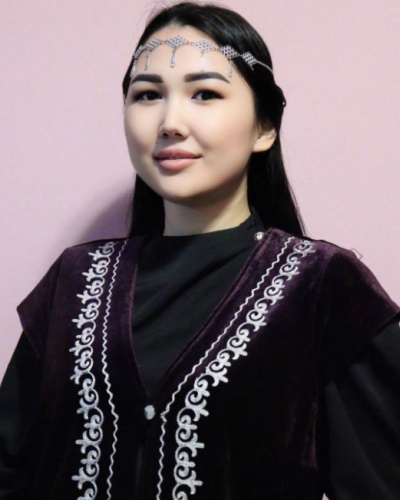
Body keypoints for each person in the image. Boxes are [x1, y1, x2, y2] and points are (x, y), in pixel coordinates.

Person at [0, 2, 399, 499]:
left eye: (205, 93)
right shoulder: (74, 281)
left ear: (264, 127)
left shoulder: (323, 287)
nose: (170, 122)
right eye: (147, 95)